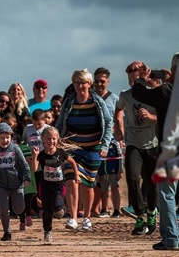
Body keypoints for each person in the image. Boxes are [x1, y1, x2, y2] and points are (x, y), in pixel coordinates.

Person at [55, 69, 113, 232]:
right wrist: (57, 141)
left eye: (83, 82)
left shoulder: (97, 101)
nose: (80, 86)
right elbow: (60, 123)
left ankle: (87, 217)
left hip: (92, 147)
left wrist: (105, 146)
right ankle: (73, 217)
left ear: (89, 84)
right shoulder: (69, 102)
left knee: (87, 184)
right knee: (71, 180)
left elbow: (108, 123)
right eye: (77, 82)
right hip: (71, 147)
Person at [131, 55, 177, 249]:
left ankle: (171, 239)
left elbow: (140, 94)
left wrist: (142, 78)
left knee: (167, 194)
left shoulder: (168, 91)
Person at [115, 61, 159, 235]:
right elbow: (118, 109)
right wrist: (119, 127)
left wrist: (151, 116)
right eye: (129, 80)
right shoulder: (125, 95)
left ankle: (151, 213)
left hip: (152, 144)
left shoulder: (154, 94)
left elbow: (166, 115)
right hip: (133, 143)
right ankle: (140, 215)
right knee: (132, 178)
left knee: (151, 183)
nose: (132, 84)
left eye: (135, 80)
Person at [31, 127, 78, 244]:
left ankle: (60, 209)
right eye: (48, 139)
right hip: (45, 186)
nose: (51, 141)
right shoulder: (41, 154)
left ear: (57, 140)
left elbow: (72, 162)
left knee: (57, 204)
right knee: (46, 211)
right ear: (43, 139)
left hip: (59, 185)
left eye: (54, 139)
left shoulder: (61, 153)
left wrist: (76, 175)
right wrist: (35, 156)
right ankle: (47, 232)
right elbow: (34, 169)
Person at [0, 123, 31, 241]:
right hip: (1, 184)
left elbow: (24, 166)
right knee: (3, 209)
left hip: (16, 183)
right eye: (2, 138)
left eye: (7, 137)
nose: (5, 140)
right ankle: (7, 232)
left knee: (18, 209)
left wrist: (27, 178)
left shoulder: (16, 149)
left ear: (11, 137)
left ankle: (17, 207)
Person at [91, 67, 122, 218]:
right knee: (100, 179)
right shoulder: (91, 97)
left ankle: (116, 209)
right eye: (96, 81)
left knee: (114, 179)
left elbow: (119, 120)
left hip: (111, 144)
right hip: (95, 142)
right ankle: (103, 209)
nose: (99, 84)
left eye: (102, 81)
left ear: (107, 82)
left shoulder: (115, 99)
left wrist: (121, 139)